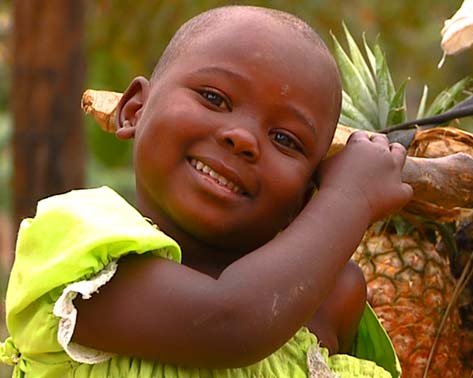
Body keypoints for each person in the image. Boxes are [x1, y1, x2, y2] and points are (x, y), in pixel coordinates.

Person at [2, 5, 412, 378]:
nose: (244, 138)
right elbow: (229, 322)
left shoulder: (327, 299)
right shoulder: (79, 247)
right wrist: (350, 198)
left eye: (285, 139)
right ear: (133, 111)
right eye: (214, 98)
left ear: (306, 196)